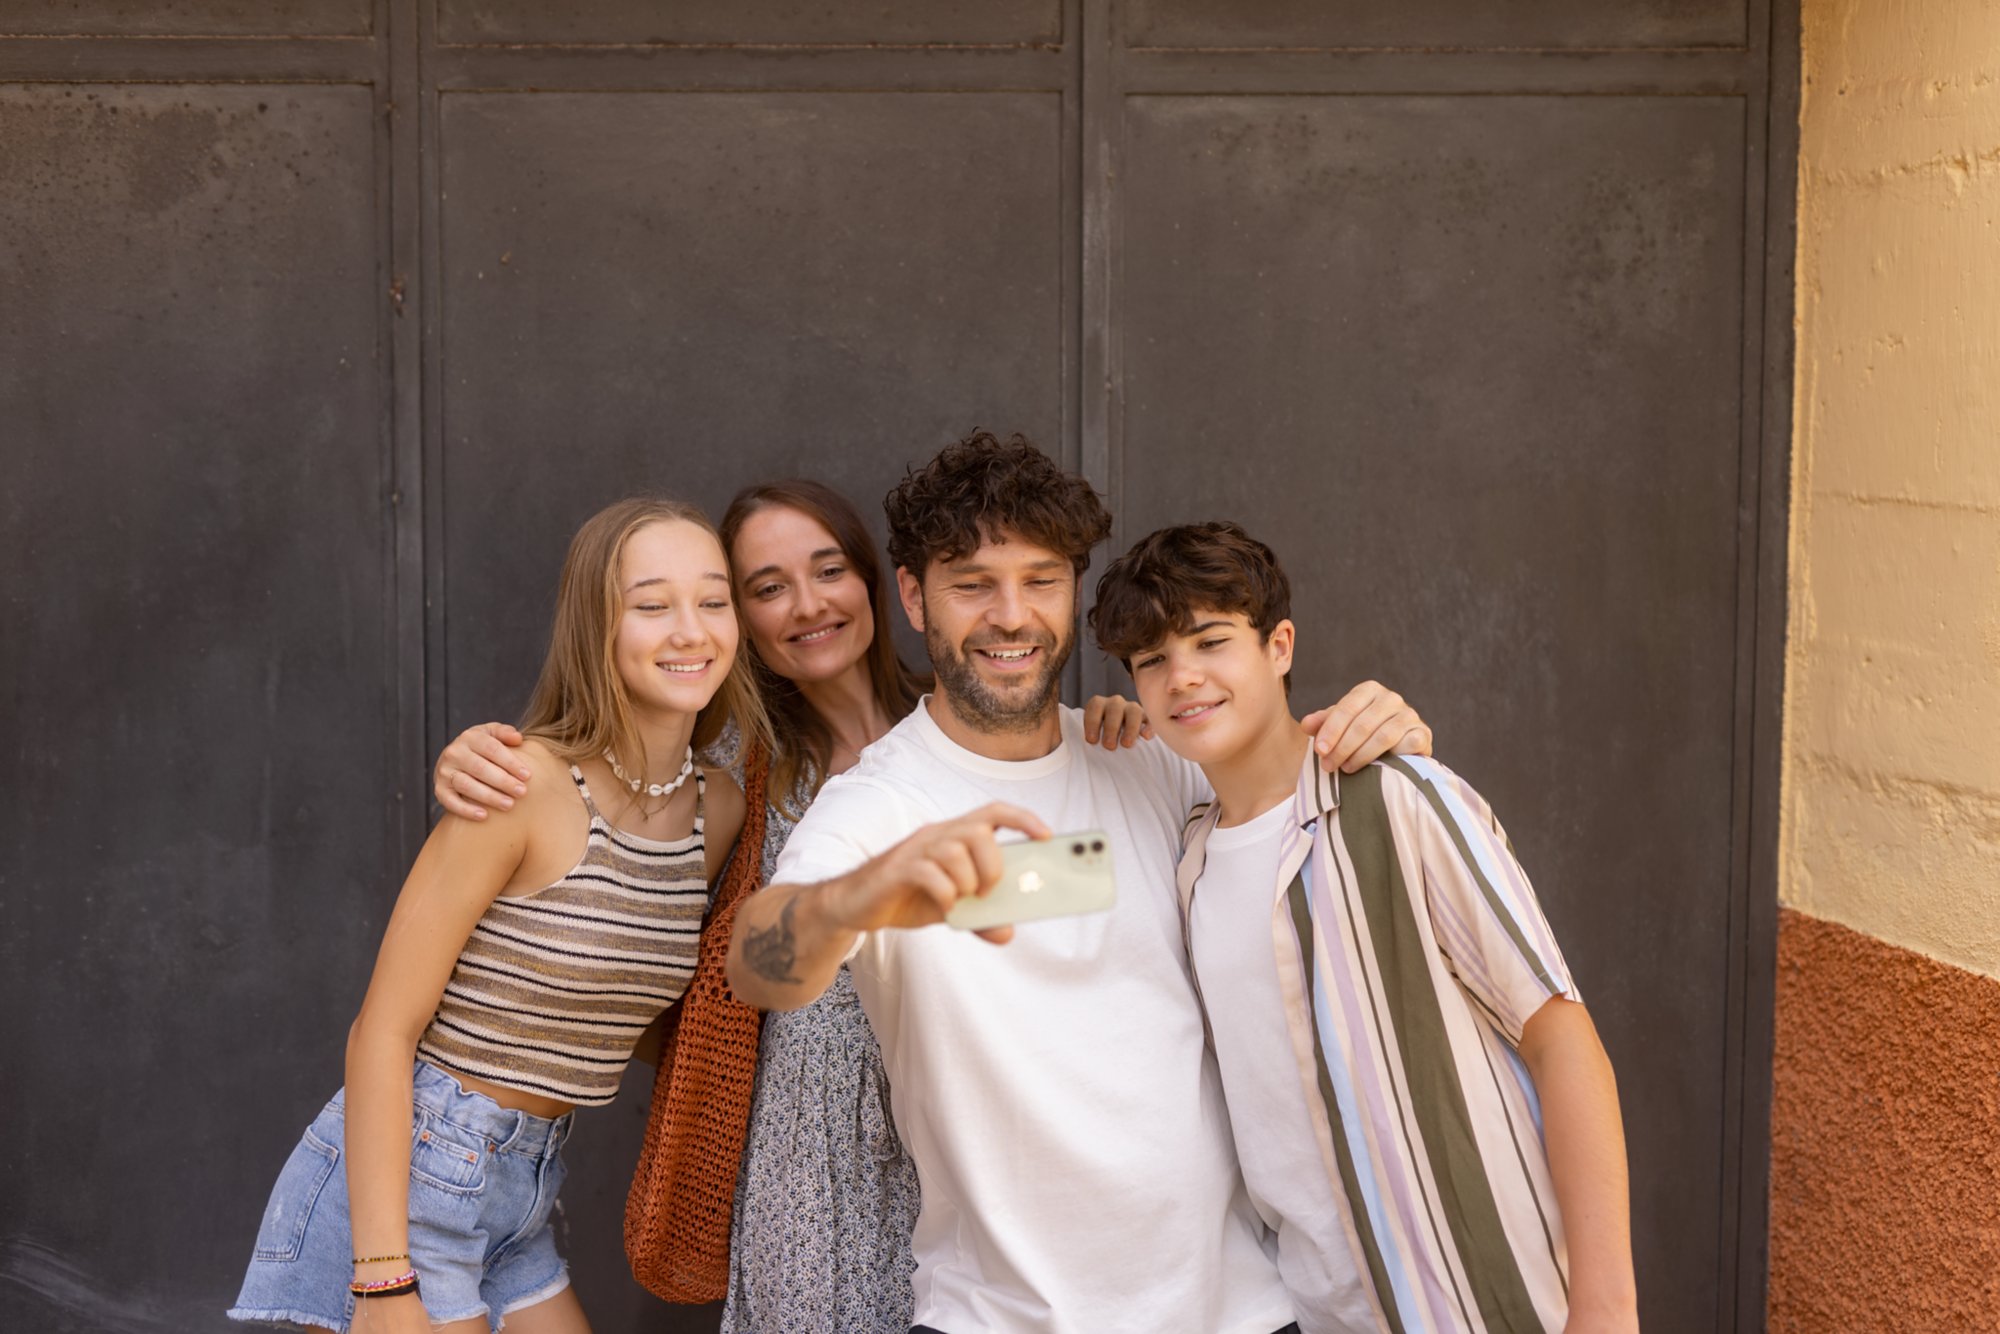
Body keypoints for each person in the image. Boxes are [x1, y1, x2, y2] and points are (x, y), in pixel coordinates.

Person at [724, 432, 1434, 1334]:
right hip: (1005, 1319)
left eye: (1042, 580)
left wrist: (1381, 733)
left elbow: (1303, 803)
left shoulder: (1150, 761)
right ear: (913, 597)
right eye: (972, 583)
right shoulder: (876, 807)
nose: (1011, 616)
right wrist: (855, 897)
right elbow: (761, 963)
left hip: (1244, 1310)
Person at [432, 479, 1169, 1331]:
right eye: (767, 588)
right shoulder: (730, 758)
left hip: (972, 1116)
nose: (808, 606)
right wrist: (481, 760)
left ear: (884, 587)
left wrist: (1106, 731)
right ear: (735, 616)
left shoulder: (973, 719)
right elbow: (596, 812)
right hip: (809, 1139)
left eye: (828, 571)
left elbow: (1064, 888)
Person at [1089, 521, 1638, 1334]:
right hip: (1317, 1311)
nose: (1184, 679)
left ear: (1279, 645)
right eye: (1152, 662)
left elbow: (1562, 1040)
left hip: (1486, 1299)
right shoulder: (1191, 865)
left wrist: (1606, 1311)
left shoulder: (1399, 800)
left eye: (1211, 642)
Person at [230, 498, 763, 1334]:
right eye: (652, 604)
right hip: (409, 1174)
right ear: (597, 627)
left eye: (714, 599)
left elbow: (633, 1015)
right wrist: (379, 1281)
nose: (691, 630)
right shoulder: (518, 788)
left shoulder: (718, 809)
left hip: (525, 1186)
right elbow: (381, 1033)